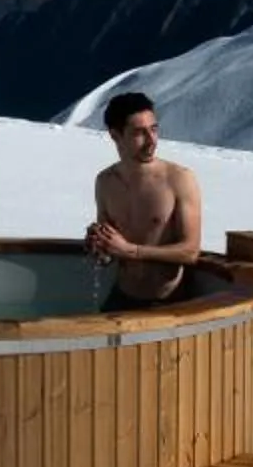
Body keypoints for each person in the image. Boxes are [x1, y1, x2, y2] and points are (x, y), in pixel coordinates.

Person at [86, 91, 202, 306]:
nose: (151, 141)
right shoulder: (105, 182)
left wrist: (131, 250)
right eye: (139, 133)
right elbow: (108, 253)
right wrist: (100, 246)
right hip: (123, 295)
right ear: (115, 135)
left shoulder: (179, 179)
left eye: (154, 129)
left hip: (168, 301)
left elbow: (190, 251)